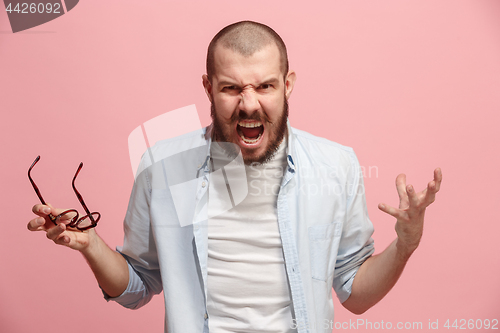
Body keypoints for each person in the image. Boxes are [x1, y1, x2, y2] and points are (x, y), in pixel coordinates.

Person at [28, 21, 442, 333]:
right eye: (231, 88)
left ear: (288, 85)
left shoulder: (337, 167)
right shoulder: (162, 166)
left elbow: (355, 293)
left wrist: (405, 246)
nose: (248, 105)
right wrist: (90, 245)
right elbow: (137, 287)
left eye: (264, 86)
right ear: (208, 88)